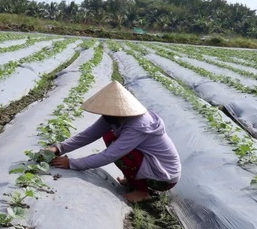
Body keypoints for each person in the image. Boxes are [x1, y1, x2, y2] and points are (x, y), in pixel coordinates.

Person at [48, 81, 181, 203]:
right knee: (109, 135)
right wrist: (59, 148)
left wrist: (72, 163)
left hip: (163, 178)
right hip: (151, 166)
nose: (105, 116)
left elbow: (110, 155)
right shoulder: (114, 117)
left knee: (122, 152)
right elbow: (88, 134)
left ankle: (142, 191)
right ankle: (134, 181)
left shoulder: (138, 125)